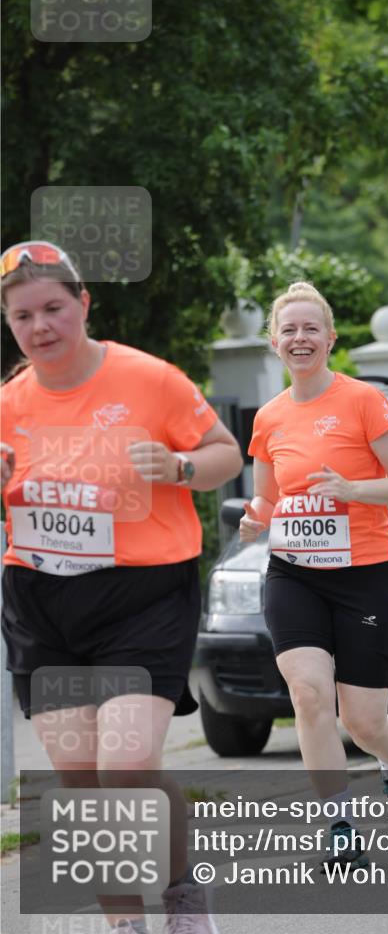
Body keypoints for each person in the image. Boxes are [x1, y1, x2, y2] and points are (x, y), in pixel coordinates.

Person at [1, 241, 243, 934]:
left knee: (127, 766)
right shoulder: (7, 403)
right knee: (81, 783)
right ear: (10, 326)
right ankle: (123, 925)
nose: (40, 326)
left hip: (142, 597)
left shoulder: (149, 380)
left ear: (84, 303)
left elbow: (224, 454)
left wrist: (173, 466)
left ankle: (181, 894)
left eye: (53, 308)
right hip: (43, 603)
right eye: (23, 317)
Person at [239, 281, 388, 869]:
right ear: (274, 343)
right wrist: (253, 521)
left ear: (330, 338)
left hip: (366, 572)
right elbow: (267, 499)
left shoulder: (363, 400)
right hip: (294, 573)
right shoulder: (268, 418)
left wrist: (352, 490)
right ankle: (339, 822)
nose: (300, 338)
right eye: (289, 330)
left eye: (310, 328)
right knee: (308, 694)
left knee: (363, 721)